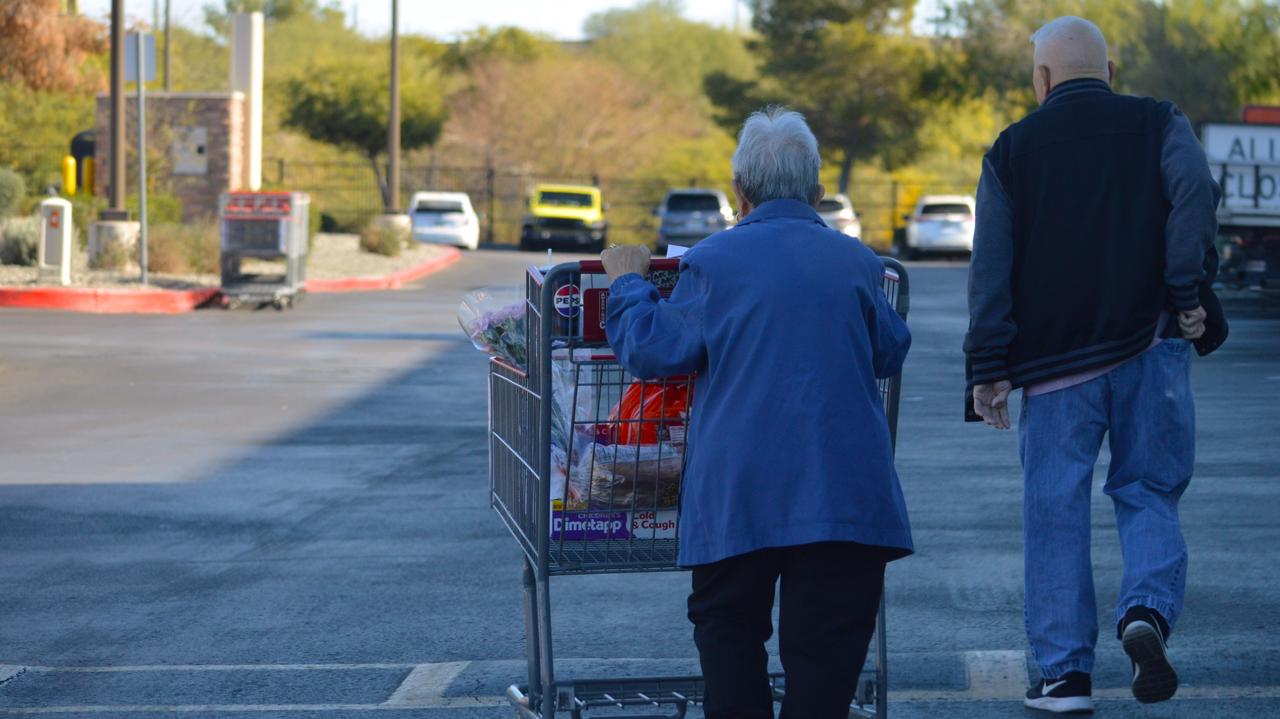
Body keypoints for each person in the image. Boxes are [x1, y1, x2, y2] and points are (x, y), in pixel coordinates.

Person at [600, 107, 913, 719]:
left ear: (739, 192)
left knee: (729, 630)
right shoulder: (857, 261)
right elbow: (889, 350)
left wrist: (629, 284)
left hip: (738, 491)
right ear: (817, 193)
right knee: (826, 653)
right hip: (843, 492)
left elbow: (654, 350)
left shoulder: (712, 261)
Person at [964, 16, 1226, 715]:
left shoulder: (1011, 150)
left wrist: (987, 366)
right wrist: (1186, 291)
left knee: (1054, 508)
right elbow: (1195, 195)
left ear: (1041, 80)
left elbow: (990, 267)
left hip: (1056, 368)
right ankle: (1145, 611)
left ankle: (1065, 678)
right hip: (1153, 347)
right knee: (1149, 490)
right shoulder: (1159, 121)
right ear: (1109, 73)